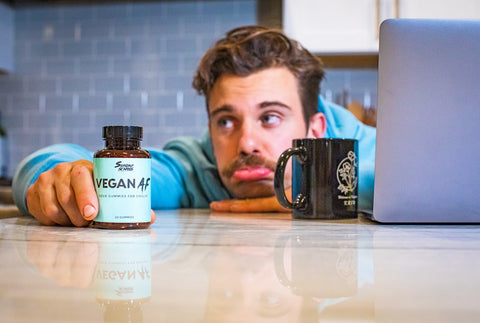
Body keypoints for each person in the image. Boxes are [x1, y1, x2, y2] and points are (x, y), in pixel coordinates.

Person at [12, 26, 376, 227]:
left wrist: (319, 192)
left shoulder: (369, 149)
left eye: (270, 118)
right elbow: (60, 162)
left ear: (315, 129)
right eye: (226, 121)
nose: (246, 143)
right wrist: (59, 174)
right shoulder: (195, 168)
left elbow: (423, 185)